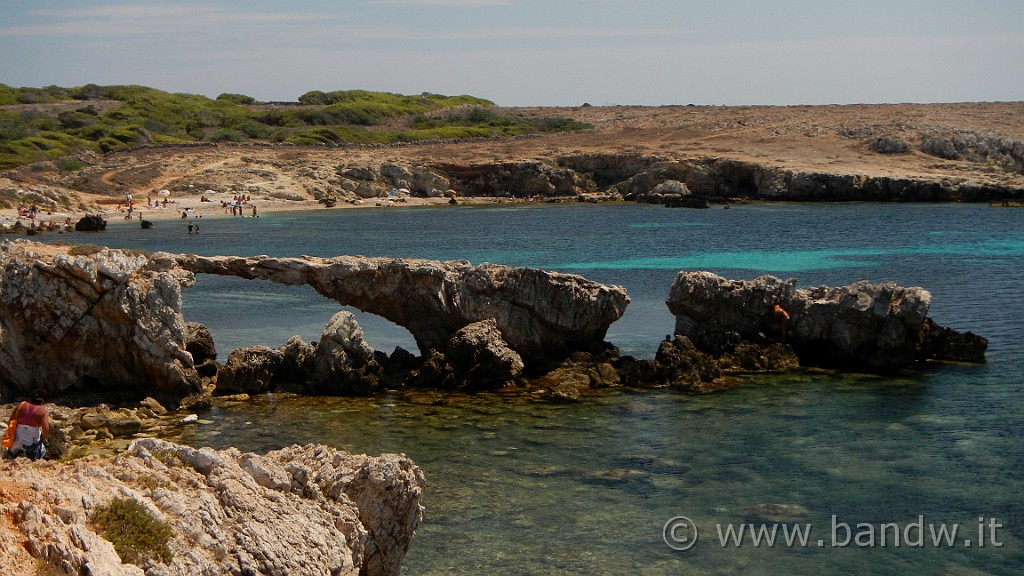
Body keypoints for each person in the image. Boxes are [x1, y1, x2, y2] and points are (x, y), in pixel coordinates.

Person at [3, 394, 49, 461]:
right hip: (32, 443)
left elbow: (10, 421)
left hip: (17, 441)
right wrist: (43, 437)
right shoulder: (42, 412)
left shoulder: (21, 406)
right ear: (42, 401)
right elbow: (46, 429)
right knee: (42, 452)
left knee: (12, 458)